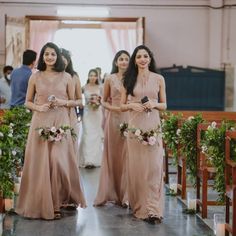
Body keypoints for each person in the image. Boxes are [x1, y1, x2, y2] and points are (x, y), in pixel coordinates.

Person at [15, 42, 86, 220]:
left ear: (58, 57)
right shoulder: (35, 77)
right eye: (46, 54)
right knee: (42, 164)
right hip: (40, 122)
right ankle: (49, 204)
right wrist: (39, 108)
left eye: (53, 54)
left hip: (61, 121)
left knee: (58, 161)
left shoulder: (66, 77)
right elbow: (27, 101)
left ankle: (60, 199)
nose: (49, 57)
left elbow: (78, 101)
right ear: (42, 57)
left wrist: (63, 103)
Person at [120, 45, 167, 224]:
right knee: (138, 168)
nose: (142, 59)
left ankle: (154, 209)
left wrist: (154, 104)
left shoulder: (159, 78)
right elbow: (121, 105)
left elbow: (164, 105)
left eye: (145, 56)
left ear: (150, 58)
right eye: (138, 56)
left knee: (154, 168)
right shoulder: (128, 79)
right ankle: (140, 205)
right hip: (135, 126)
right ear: (134, 60)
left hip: (153, 124)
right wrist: (131, 105)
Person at [94, 50, 130, 207]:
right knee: (114, 155)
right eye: (120, 59)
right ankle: (114, 192)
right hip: (114, 119)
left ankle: (127, 194)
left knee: (128, 155)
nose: (123, 62)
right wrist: (114, 109)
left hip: (130, 118)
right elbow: (103, 101)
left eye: (126, 59)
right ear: (116, 62)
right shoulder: (109, 78)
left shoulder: (133, 78)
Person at [60, 48, 83, 164]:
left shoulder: (74, 76)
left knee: (71, 146)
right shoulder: (50, 75)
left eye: (66, 61)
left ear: (69, 62)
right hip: (55, 115)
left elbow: (80, 101)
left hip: (70, 115)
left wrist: (68, 103)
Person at [79, 69, 103, 168]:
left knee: (96, 136)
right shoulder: (84, 87)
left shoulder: (100, 87)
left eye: (94, 75)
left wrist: (98, 103)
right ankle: (87, 160)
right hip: (87, 113)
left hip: (97, 113)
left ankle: (95, 160)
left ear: (97, 77)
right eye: (91, 75)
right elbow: (77, 97)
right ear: (88, 76)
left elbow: (104, 99)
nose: (93, 77)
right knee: (87, 134)